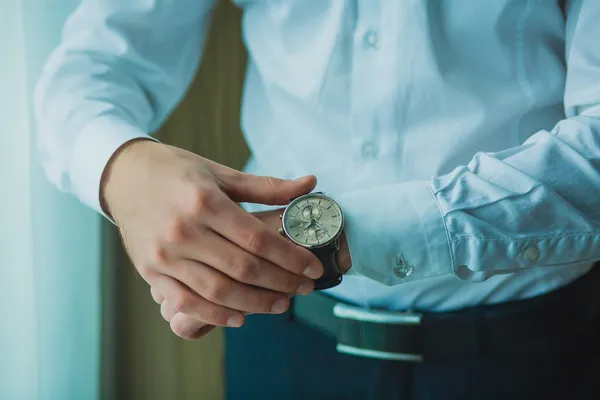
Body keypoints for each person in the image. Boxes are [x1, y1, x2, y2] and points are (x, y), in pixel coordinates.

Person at [35, 0, 600, 398]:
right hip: (280, 346)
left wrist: (313, 241)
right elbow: (89, 67)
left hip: (533, 350)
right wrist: (123, 169)